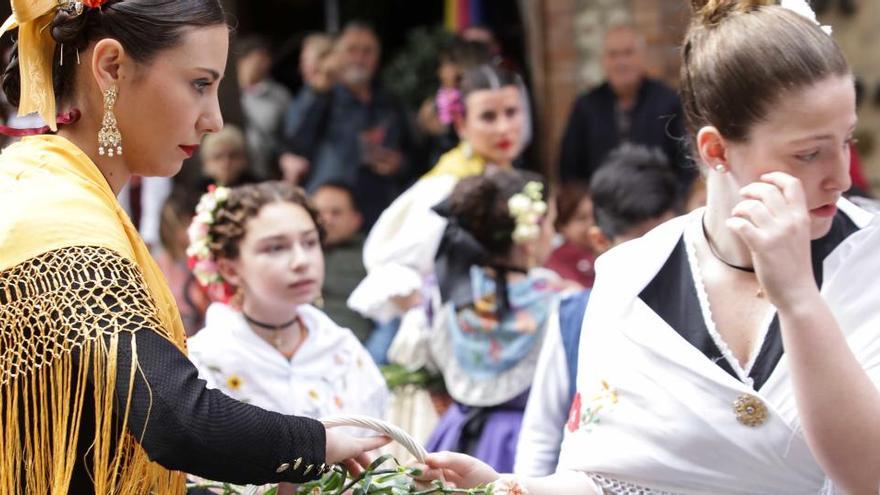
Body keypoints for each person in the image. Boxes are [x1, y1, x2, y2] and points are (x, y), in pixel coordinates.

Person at [417, 1, 880, 493]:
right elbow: (609, 481)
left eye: (846, 141)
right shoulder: (631, 277)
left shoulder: (868, 258)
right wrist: (514, 487)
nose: (838, 176)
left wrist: (799, 300)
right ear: (716, 150)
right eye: (808, 153)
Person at [0, 1, 385, 493]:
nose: (215, 120)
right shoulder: (55, 214)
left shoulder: (46, 187)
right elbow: (176, 420)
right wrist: (314, 442)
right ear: (111, 67)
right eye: (200, 84)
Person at [514, 144, 680, 477]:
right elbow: (542, 432)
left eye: (668, 239)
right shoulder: (573, 315)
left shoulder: (708, 311)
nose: (657, 256)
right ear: (600, 241)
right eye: (639, 242)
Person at [187, 181, 388, 421]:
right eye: (275, 248)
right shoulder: (205, 360)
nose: (301, 261)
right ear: (229, 269)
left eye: (310, 242)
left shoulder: (342, 350)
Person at [347, 64, 527, 329]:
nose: (504, 128)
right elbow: (388, 266)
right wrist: (438, 320)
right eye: (488, 117)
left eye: (511, 113)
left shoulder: (515, 178)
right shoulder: (446, 186)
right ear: (461, 124)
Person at [424, 169, 563, 474]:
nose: (555, 234)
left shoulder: (448, 293)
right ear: (529, 235)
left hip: (455, 437)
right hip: (527, 445)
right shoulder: (558, 302)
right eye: (551, 222)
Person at [281, 22, 414, 228]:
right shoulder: (322, 95)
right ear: (338, 55)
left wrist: (399, 164)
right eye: (352, 50)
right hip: (332, 211)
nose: (360, 58)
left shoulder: (390, 102)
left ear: (377, 57)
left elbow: (414, 154)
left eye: (367, 51)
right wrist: (318, 89)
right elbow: (294, 141)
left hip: (381, 210)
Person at [557, 24, 692, 189]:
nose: (621, 62)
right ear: (603, 61)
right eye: (613, 54)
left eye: (628, 53)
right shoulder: (585, 106)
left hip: (659, 204)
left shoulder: (668, 101)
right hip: (600, 204)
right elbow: (569, 166)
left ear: (643, 57)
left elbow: (686, 162)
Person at [311, 181, 374, 343]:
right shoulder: (293, 252)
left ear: (356, 219)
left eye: (336, 213)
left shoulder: (372, 256)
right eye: (319, 212)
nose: (326, 220)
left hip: (350, 350)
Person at [237, 35, 292, 179]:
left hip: (266, 169)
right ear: (241, 61)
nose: (262, 64)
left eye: (265, 59)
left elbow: (289, 134)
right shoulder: (225, 93)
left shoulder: (280, 95)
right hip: (233, 169)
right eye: (257, 58)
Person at [543, 181, 596, 289]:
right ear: (561, 226)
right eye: (581, 218)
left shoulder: (610, 251)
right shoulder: (556, 261)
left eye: (595, 216)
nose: (592, 223)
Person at [197, 124, 259, 189]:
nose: (226, 163)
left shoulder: (258, 188)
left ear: (244, 159)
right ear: (206, 161)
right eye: (218, 157)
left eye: (233, 156)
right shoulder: (195, 192)